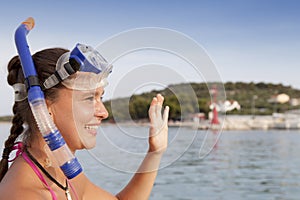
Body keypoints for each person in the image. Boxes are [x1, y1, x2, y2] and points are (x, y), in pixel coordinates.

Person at [0, 45, 169, 199]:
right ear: (43, 108)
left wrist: (155, 152)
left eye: (100, 97)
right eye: (89, 98)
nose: (104, 112)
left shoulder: (63, 173)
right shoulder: (23, 195)